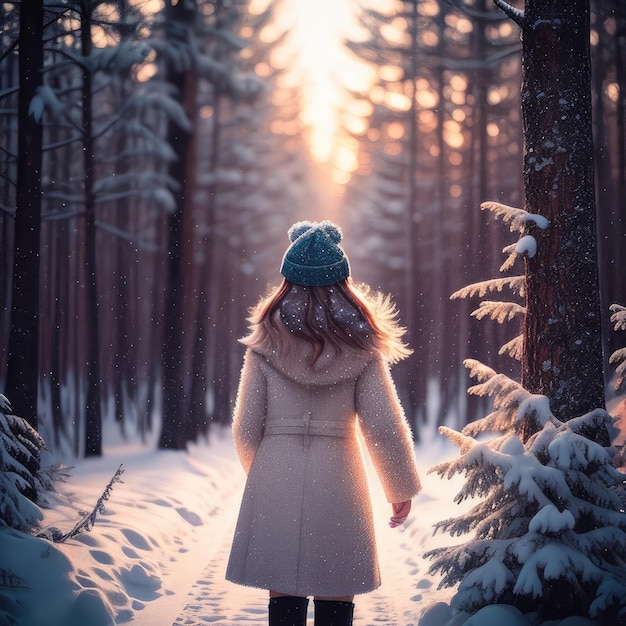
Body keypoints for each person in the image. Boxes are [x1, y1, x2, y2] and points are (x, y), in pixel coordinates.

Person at [226, 220, 422, 626]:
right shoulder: (362, 343)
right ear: (343, 280)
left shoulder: (265, 340)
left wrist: (263, 473)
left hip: (276, 471)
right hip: (340, 474)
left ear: (286, 279)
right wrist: (399, 486)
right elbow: (383, 426)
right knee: (337, 587)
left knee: (283, 592)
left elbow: (245, 428)